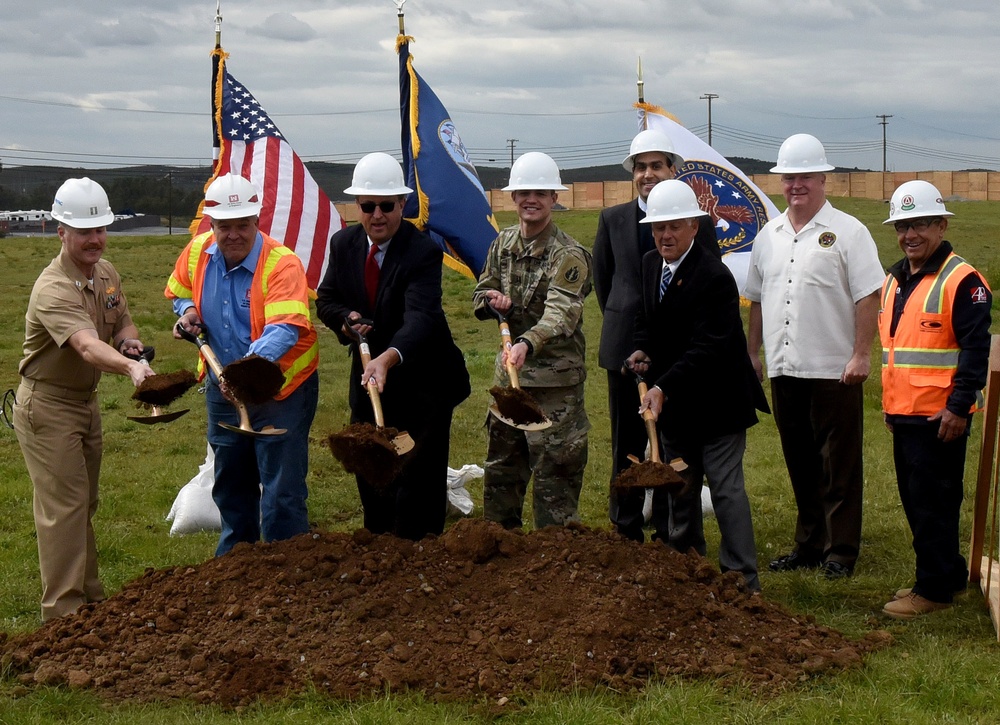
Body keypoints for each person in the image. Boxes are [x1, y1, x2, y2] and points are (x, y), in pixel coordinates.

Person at [13, 177, 157, 620]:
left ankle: (90, 598)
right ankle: (62, 614)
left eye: (100, 229)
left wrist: (131, 345)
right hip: (47, 405)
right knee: (64, 509)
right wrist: (132, 368)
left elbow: (122, 324)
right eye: (84, 232)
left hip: (84, 402)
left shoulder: (106, 273)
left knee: (84, 502)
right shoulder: (52, 287)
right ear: (62, 233)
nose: (95, 240)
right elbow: (87, 346)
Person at [745, 134, 885, 579]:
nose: (796, 185)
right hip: (786, 367)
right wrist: (753, 353)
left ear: (824, 178)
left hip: (834, 369)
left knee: (838, 462)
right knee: (799, 459)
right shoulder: (769, 236)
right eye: (789, 178)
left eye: (805, 176)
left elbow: (868, 296)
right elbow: (756, 300)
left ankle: (841, 550)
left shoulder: (849, 232)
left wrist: (861, 354)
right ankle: (809, 543)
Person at [315, 153, 470, 540]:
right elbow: (327, 298)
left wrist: (388, 356)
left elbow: (421, 317)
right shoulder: (344, 244)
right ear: (357, 207)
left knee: (418, 477)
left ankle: (419, 556)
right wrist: (346, 320)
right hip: (368, 381)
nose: (377, 215)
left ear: (402, 204)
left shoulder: (422, 252)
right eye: (368, 206)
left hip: (423, 383)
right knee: (371, 467)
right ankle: (379, 551)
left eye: (387, 205)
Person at [165, 173, 319, 556]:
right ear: (212, 225)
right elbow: (179, 291)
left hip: (279, 387)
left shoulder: (282, 264)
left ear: (256, 221)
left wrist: (241, 374)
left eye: (242, 225)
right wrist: (187, 312)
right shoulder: (198, 252)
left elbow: (284, 330)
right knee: (231, 480)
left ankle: (288, 565)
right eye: (224, 227)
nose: (233, 234)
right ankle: (236, 564)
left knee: (281, 487)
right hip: (223, 387)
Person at [626, 180, 768, 590]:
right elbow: (646, 318)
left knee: (725, 491)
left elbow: (710, 347)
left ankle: (743, 579)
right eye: (658, 228)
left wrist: (663, 386)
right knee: (680, 489)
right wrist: (641, 350)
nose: (665, 235)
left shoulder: (714, 276)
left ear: (694, 226)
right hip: (677, 408)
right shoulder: (652, 263)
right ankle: (687, 570)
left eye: (675, 226)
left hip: (719, 404)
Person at [594, 128, 721, 543]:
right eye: (641, 167)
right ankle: (625, 529)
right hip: (623, 351)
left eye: (656, 165)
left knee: (672, 446)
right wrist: (629, 335)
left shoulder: (696, 222)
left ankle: (672, 532)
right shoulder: (612, 219)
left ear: (672, 169)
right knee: (625, 443)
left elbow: (705, 280)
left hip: (674, 355)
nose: (648, 174)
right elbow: (604, 280)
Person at [878, 181, 991, 619]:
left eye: (921, 224)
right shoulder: (896, 278)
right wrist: (892, 408)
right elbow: (895, 350)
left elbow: (975, 351)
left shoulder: (962, 280)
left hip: (940, 418)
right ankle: (947, 573)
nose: (911, 234)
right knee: (918, 499)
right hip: (906, 416)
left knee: (932, 504)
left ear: (942, 225)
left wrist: (959, 407)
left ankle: (933, 591)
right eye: (903, 225)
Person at [472, 152, 593, 530]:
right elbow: (483, 287)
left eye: (541, 193)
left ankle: (554, 566)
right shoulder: (502, 243)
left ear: (554, 199)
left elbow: (561, 314)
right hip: (510, 382)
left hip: (555, 386)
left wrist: (526, 341)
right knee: (502, 473)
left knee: (554, 476)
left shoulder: (569, 255)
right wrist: (491, 302)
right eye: (524, 192)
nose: (531, 199)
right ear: (513, 197)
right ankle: (500, 554)